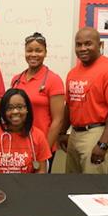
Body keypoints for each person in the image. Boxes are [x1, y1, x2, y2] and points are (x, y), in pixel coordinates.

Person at [59, 27, 108, 174]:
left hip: (96, 134)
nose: (83, 48)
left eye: (88, 44)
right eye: (78, 44)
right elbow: (69, 105)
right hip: (75, 134)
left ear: (100, 45)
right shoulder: (73, 72)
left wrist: (103, 144)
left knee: (92, 189)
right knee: (71, 186)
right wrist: (62, 132)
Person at [10, 32, 65, 172]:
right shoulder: (16, 80)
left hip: (43, 144)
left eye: (38, 50)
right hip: (19, 145)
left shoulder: (53, 80)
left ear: (45, 53)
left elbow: (58, 120)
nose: (33, 54)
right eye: (29, 50)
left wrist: (44, 150)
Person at [0, 88, 51, 174]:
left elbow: (41, 172)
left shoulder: (38, 136)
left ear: (27, 109)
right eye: (10, 108)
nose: (15, 111)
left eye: (20, 107)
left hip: (29, 186)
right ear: (3, 111)